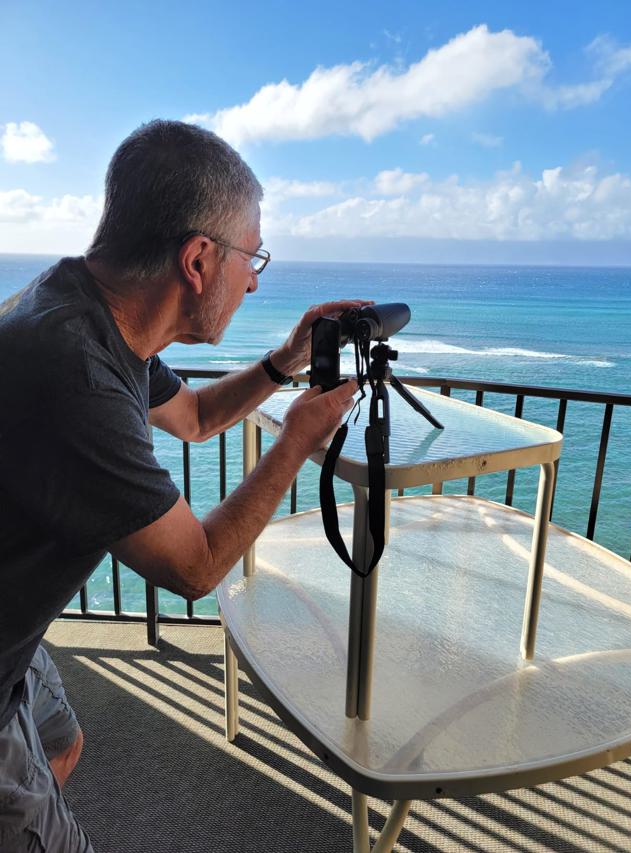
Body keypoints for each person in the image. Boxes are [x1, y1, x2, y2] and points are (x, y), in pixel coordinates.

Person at [0, 119, 364, 852]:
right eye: (250, 256)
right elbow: (196, 567)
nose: (254, 278)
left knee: (62, 744)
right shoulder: (75, 373)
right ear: (198, 260)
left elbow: (195, 416)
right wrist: (295, 440)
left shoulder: (89, 312)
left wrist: (285, 360)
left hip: (17, 641)